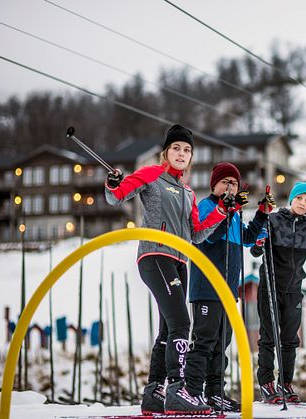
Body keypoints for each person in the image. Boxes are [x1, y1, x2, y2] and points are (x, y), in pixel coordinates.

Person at [105, 124, 233, 414]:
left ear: (190, 158)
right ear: (166, 152)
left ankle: (154, 393)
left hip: (179, 260)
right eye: (176, 148)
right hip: (155, 255)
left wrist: (221, 211)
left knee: (167, 329)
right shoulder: (152, 175)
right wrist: (114, 183)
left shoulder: (188, 192)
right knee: (181, 323)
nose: (181, 153)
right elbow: (117, 196)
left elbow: (197, 233)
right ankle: (179, 389)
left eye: (186, 150)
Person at [184, 162, 275, 412]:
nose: (229, 186)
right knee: (204, 341)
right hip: (206, 287)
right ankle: (191, 392)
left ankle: (215, 393)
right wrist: (226, 210)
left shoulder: (233, 213)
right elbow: (208, 235)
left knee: (221, 343)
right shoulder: (207, 206)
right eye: (225, 182)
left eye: (233, 183)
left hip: (227, 290)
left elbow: (247, 238)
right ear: (214, 185)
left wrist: (262, 214)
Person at [250, 182, 306, 404]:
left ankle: (285, 383)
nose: (303, 203)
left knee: (290, 339)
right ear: (291, 198)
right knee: (269, 336)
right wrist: (260, 240)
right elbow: (256, 251)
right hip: (271, 284)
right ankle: (266, 383)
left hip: (294, 288)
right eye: (300, 198)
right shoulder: (273, 219)